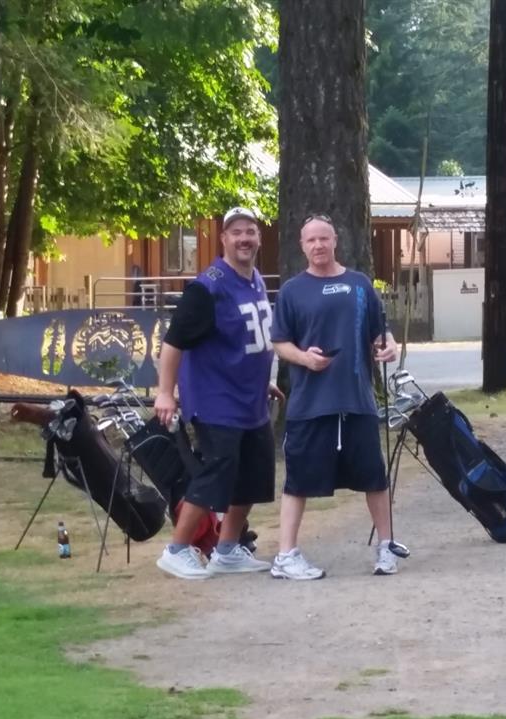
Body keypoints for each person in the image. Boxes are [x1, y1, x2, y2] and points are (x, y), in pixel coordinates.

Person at [154, 206, 283, 580]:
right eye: (236, 232)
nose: (244, 238)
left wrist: (264, 380)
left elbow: (247, 340)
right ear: (223, 238)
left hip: (251, 399)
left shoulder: (254, 278)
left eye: (251, 231)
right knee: (216, 474)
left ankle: (227, 549)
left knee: (253, 476)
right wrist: (165, 392)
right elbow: (173, 344)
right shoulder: (207, 287)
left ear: (259, 237)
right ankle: (176, 549)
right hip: (216, 400)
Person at [269, 214, 400, 580]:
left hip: (356, 400)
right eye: (311, 240)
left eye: (324, 239)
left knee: (374, 477)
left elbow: (381, 333)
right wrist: (304, 359)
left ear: (335, 240)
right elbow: (280, 342)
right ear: (302, 245)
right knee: (298, 481)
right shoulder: (293, 291)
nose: (318, 246)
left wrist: (389, 346)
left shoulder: (359, 284)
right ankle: (286, 556)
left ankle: (386, 546)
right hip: (310, 406)